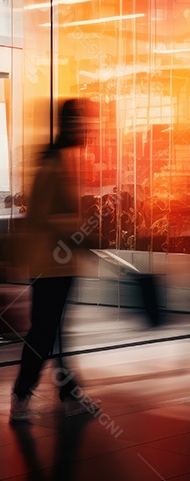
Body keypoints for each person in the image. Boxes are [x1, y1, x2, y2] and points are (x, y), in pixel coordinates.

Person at [10, 99, 101, 422]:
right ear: (71, 125)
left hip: (57, 263)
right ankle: (22, 394)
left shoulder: (59, 161)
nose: (89, 129)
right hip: (49, 264)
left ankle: (68, 392)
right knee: (45, 333)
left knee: (54, 331)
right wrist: (82, 234)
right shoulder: (53, 165)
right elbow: (42, 216)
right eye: (84, 122)